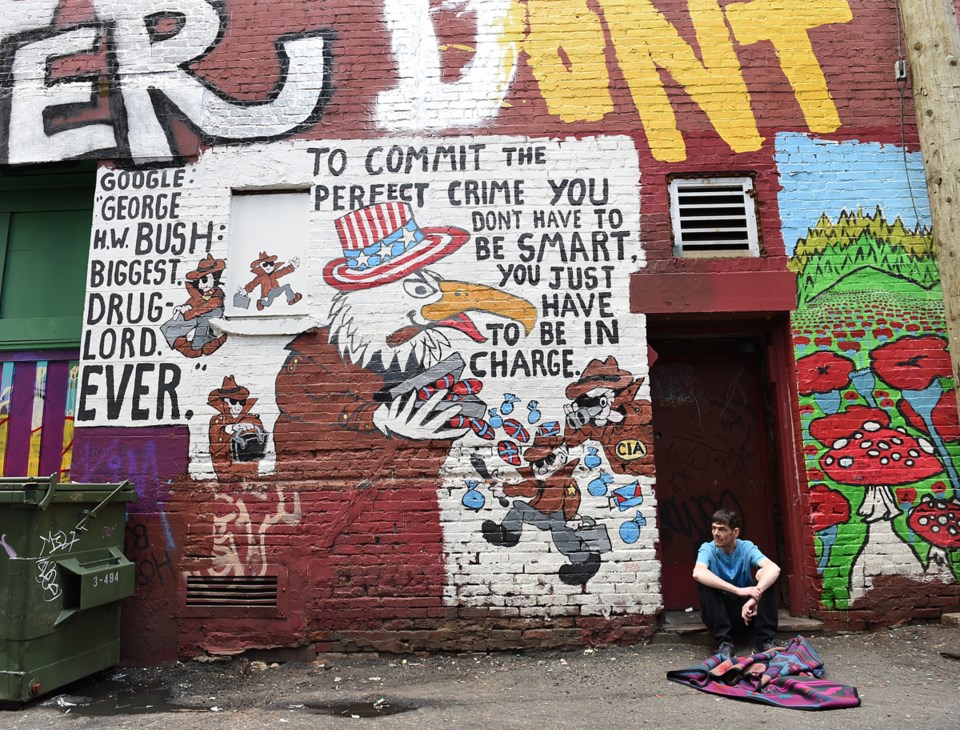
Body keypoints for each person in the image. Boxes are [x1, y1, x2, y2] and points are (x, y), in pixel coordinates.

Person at [692, 508, 780, 659]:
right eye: (713, 528)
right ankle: (724, 644)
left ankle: (763, 642)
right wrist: (738, 590)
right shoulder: (707, 548)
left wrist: (754, 598)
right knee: (706, 582)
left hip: (746, 613)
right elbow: (698, 573)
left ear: (735, 532)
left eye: (722, 529)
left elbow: (774, 568)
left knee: (764, 575)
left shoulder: (746, 547)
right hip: (718, 614)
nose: (715, 533)